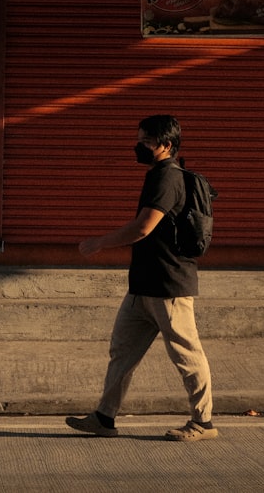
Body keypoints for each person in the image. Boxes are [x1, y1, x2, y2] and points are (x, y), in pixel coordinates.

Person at [66, 114, 217, 442]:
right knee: (122, 351)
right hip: (143, 285)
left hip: (168, 284)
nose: (139, 146)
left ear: (166, 145)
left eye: (146, 141)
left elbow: (143, 227)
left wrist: (99, 243)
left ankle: (203, 423)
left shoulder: (167, 178)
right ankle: (104, 418)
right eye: (139, 139)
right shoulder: (156, 175)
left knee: (186, 355)